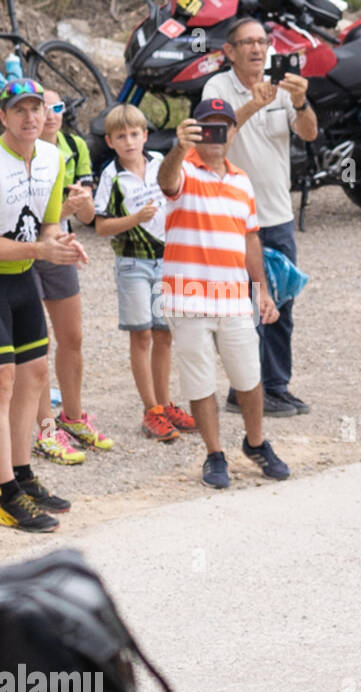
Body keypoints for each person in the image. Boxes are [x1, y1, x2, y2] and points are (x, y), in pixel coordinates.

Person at [157, 99, 289, 489]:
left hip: (232, 297)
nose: (216, 134)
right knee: (199, 382)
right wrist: (180, 147)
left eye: (223, 126)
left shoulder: (242, 181)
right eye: (207, 126)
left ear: (233, 132)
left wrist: (261, 290)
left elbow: (251, 239)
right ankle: (214, 453)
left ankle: (255, 442)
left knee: (249, 376)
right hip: (187, 296)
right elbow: (166, 182)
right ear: (196, 130)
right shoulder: (183, 169)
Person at [203, 15, 318, 418]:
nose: (256, 48)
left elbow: (308, 133)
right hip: (234, 219)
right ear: (229, 51)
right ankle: (243, 389)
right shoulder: (216, 88)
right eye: (247, 42)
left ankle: (276, 385)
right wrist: (254, 102)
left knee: (281, 303)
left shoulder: (283, 87)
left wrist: (301, 102)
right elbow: (216, 138)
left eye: (262, 41)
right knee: (243, 309)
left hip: (277, 213)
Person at [0, 78, 83, 532]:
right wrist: (40, 251)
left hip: (23, 277)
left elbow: (49, 225)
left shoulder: (52, 157)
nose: (31, 117)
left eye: (37, 109)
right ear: (3, 117)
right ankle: (4, 491)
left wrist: (63, 244)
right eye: (20, 110)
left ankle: (23, 474)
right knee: (3, 381)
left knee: (33, 374)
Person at [94, 103, 194, 443]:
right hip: (133, 263)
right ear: (110, 141)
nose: (129, 141)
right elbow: (102, 227)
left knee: (164, 334)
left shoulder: (159, 164)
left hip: (168, 259)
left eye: (134, 134)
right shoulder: (111, 177)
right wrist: (134, 220)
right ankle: (150, 409)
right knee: (141, 335)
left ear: (145, 135)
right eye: (120, 136)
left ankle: (165, 403)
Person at [31, 87, 112, 459]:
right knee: (34, 347)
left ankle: (73, 417)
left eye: (56, 107)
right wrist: (66, 207)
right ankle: (45, 430)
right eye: (41, 108)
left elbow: (88, 218)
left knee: (73, 337)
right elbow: (31, 219)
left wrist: (81, 205)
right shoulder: (13, 152)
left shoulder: (74, 148)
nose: (49, 115)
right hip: (23, 252)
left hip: (59, 247)